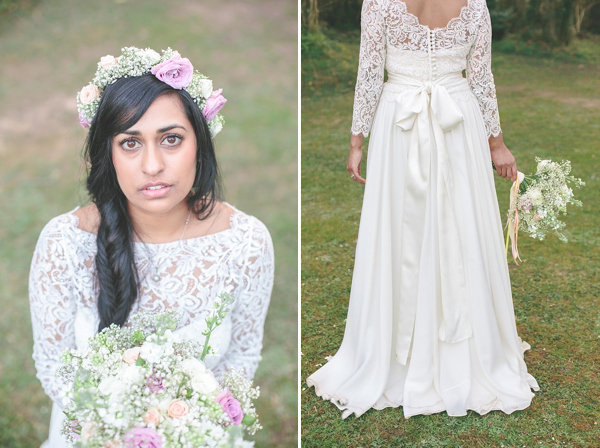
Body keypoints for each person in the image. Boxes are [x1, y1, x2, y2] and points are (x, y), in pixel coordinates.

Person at [29, 47, 274, 447]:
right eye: (130, 143)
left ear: (201, 144)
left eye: (171, 139)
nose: (153, 166)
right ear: (106, 153)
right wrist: (117, 431)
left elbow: (241, 359)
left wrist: (183, 431)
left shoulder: (246, 241)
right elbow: (55, 365)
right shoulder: (64, 243)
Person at [306, 0, 539, 419]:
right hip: (456, 116)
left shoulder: (377, 3)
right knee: (458, 223)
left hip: (400, 118)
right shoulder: (475, 4)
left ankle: (409, 350)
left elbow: (370, 73)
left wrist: (357, 141)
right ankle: (460, 350)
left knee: (408, 228)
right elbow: (482, 78)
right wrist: (496, 143)